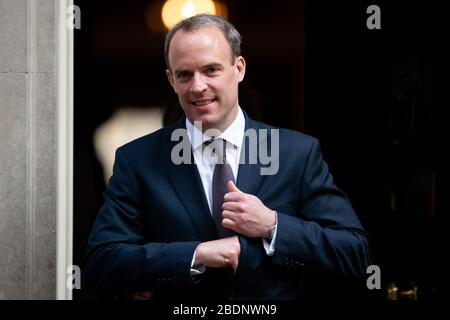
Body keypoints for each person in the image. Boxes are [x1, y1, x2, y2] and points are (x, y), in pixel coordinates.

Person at [84, 14, 371, 300]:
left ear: (239, 69)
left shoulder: (296, 153)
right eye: (185, 74)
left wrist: (273, 225)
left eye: (211, 70)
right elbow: (102, 262)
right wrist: (196, 254)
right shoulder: (138, 160)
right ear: (171, 80)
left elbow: (354, 253)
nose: (197, 86)